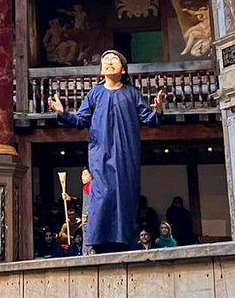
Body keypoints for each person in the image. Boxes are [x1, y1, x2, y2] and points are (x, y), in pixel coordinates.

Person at [50, 49, 164, 253]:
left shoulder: (131, 93)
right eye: (106, 60)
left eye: (114, 59)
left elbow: (150, 119)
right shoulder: (94, 94)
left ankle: (125, 238)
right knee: (102, 193)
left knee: (125, 192)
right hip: (100, 153)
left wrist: (158, 110)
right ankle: (98, 239)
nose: (109, 62)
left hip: (126, 153)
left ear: (123, 69)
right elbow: (80, 120)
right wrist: (63, 113)